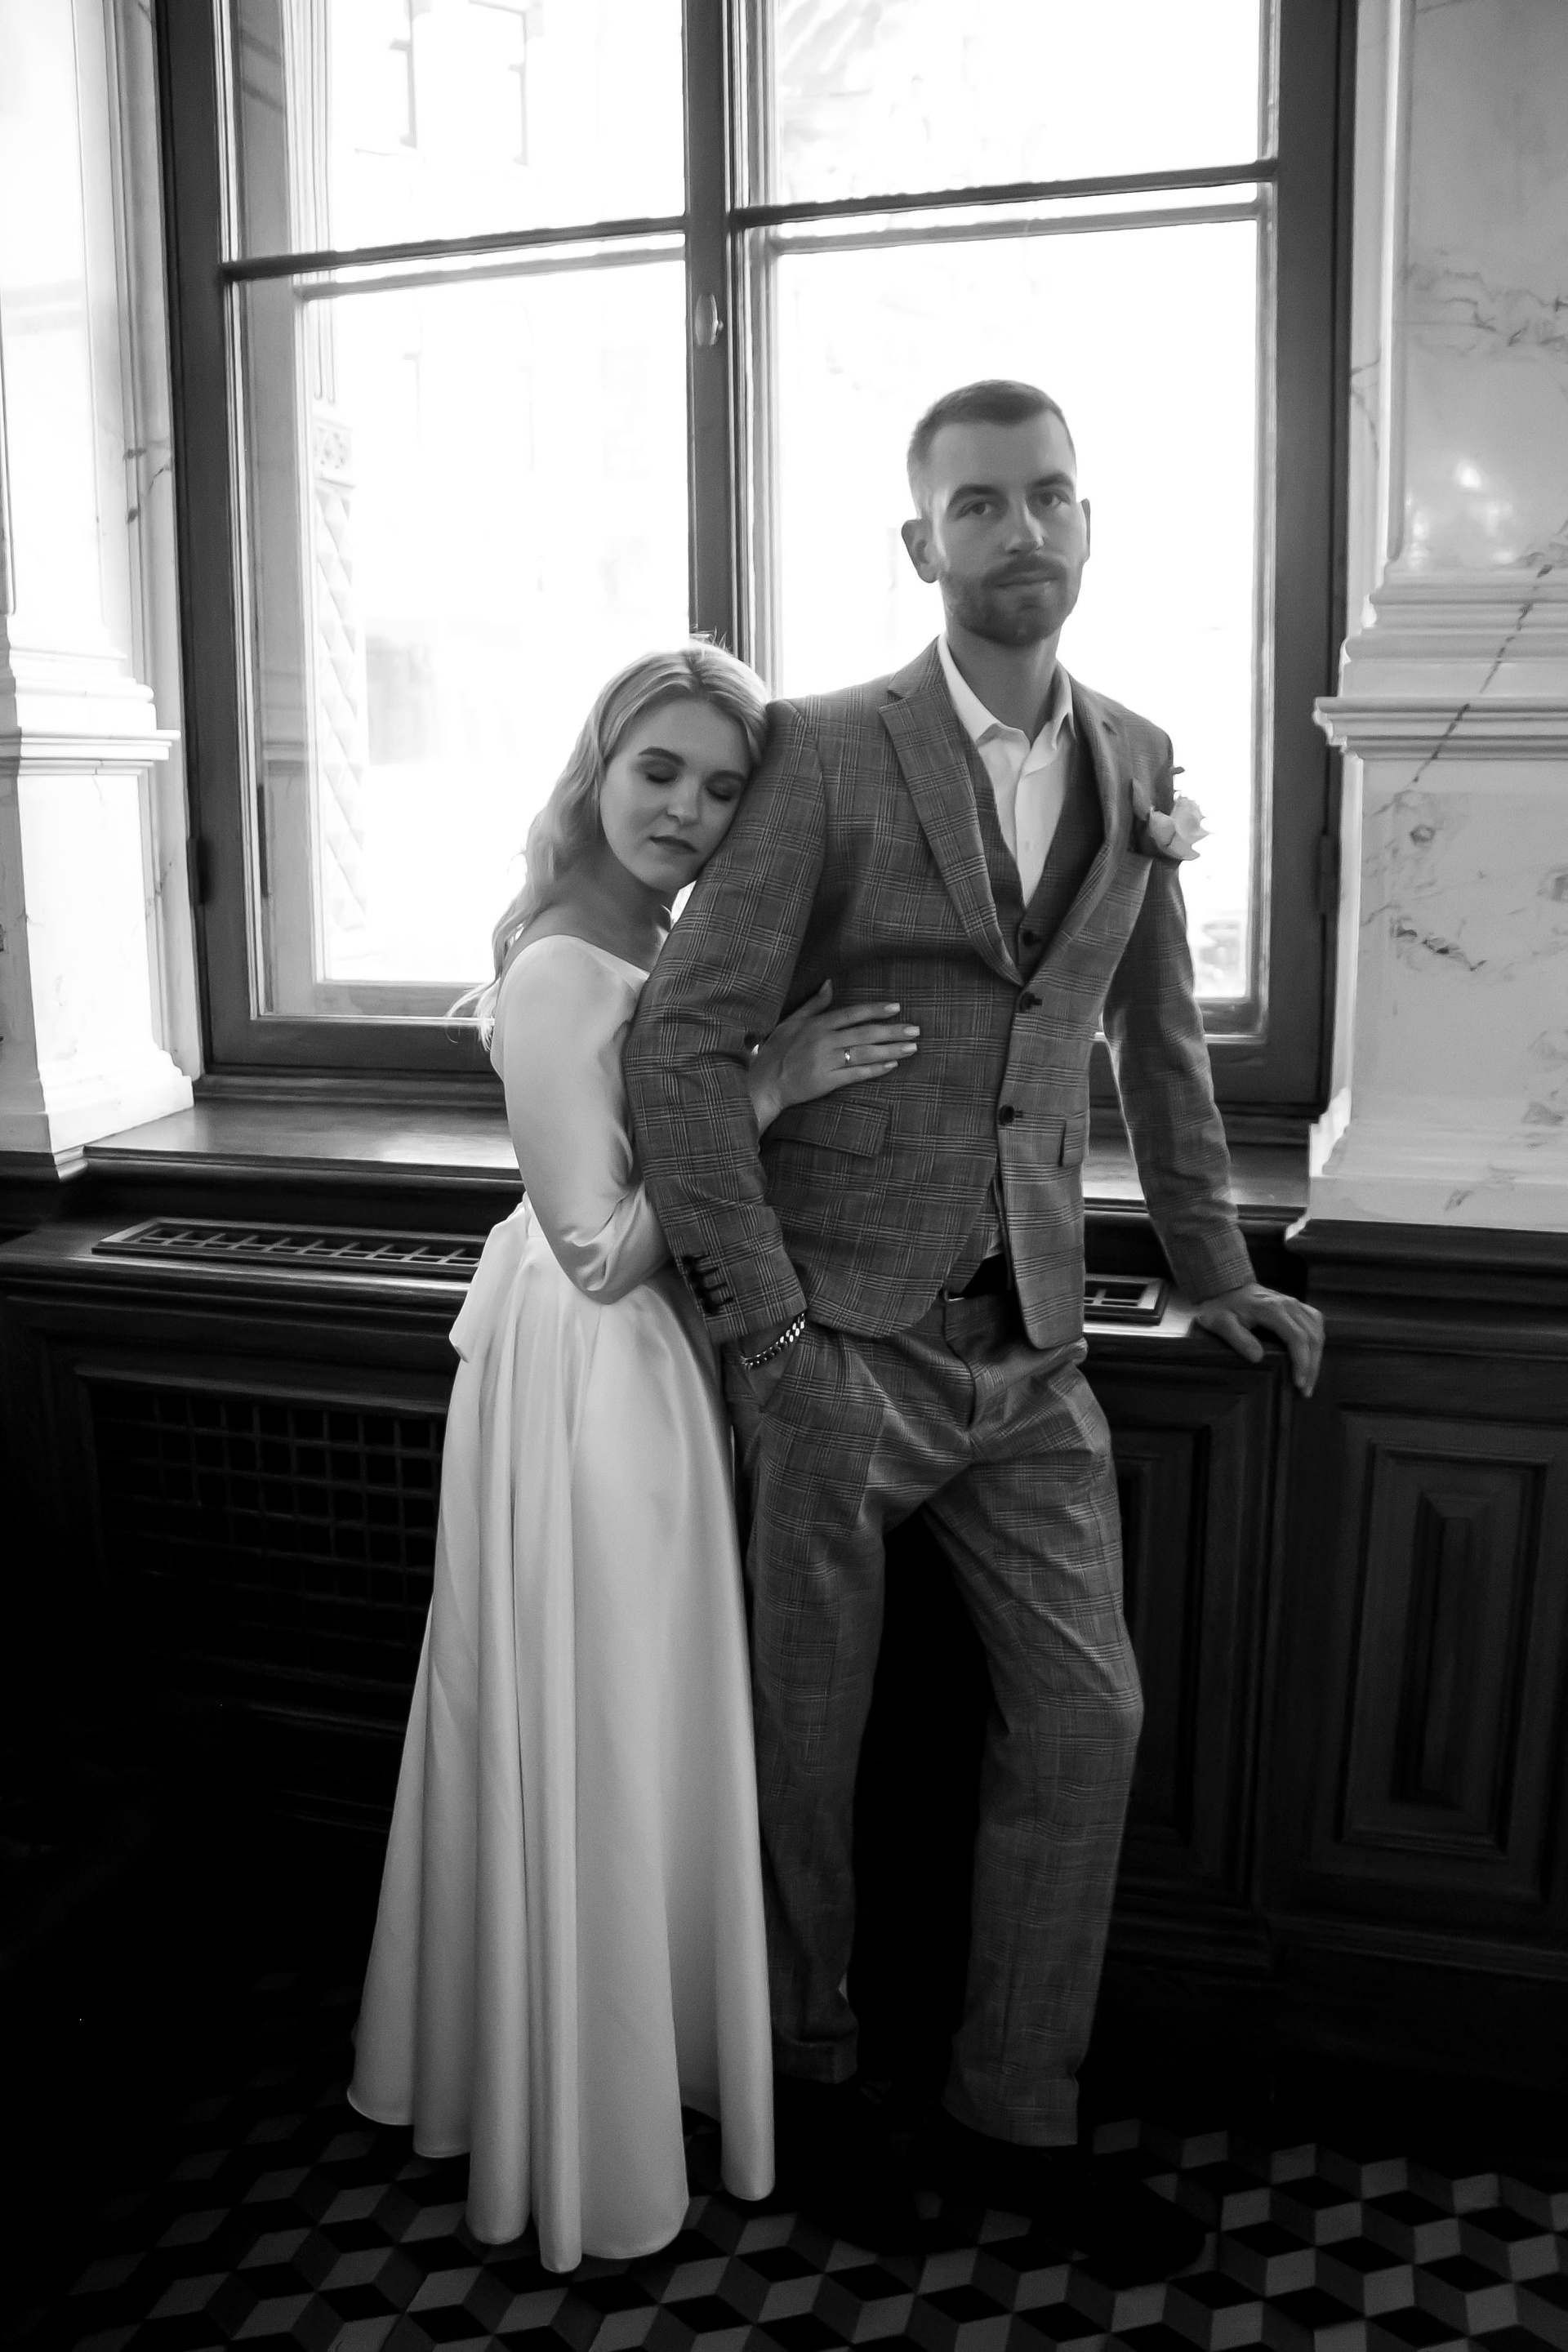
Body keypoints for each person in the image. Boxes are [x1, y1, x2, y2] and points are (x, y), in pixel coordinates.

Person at [624, 382, 1325, 2267]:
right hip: (835, 1341)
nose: (1024, 531)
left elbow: (1157, 1045)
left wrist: (1214, 1268)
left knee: (1088, 1720)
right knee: (805, 1741)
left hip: (1033, 1347)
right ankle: (806, 2084)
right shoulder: (824, 751)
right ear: (921, 543)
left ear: (1089, 525)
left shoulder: (1139, 757)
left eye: (1052, 499)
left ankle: (1015, 2113)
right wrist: (765, 1324)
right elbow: (683, 1040)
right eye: (982, 505)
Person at [347, 644, 921, 2273]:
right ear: (596, 766)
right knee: (598, 1712)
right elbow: (598, 1249)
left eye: (723, 788)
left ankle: (646, 2060)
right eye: (657, 769)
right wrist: (768, 1091)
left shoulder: (667, 941)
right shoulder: (555, 966)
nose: (685, 809)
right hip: (590, 1376)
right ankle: (576, 2116)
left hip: (650, 1364)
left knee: (649, 1713)